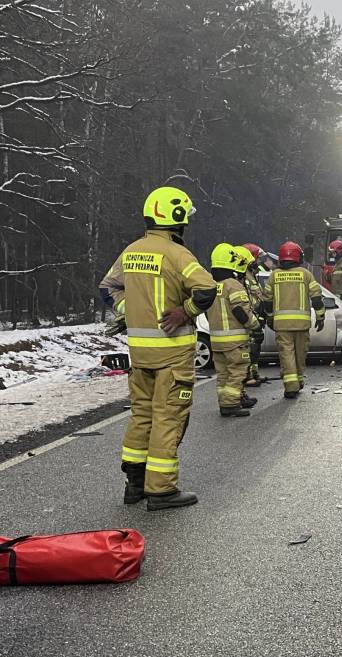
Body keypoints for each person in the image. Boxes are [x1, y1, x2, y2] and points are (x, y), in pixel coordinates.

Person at [98, 186, 217, 510]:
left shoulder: (131, 252)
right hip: (172, 353)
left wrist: (130, 311)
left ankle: (135, 484)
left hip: (140, 354)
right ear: (177, 218)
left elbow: (107, 288)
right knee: (168, 417)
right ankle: (162, 489)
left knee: (142, 414)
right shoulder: (177, 254)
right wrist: (185, 312)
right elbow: (207, 290)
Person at [262, 241, 324, 398]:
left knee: (286, 354)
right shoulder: (305, 274)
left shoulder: (274, 275)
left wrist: (270, 318)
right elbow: (317, 298)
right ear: (298, 257)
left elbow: (267, 301)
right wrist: (320, 316)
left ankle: (291, 386)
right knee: (300, 353)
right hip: (302, 324)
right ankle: (298, 381)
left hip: (282, 325)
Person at [206, 244, 261, 417]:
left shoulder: (211, 285)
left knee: (223, 374)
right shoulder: (233, 285)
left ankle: (224, 403)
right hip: (234, 342)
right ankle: (231, 404)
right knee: (238, 372)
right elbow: (241, 311)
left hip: (216, 341)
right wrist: (256, 327)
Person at [239, 243, 267, 387]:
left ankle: (254, 373)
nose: (258, 262)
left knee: (256, 346)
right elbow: (247, 298)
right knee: (250, 347)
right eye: (257, 258)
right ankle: (247, 376)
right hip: (250, 316)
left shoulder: (251, 274)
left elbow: (257, 295)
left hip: (256, 315)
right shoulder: (243, 275)